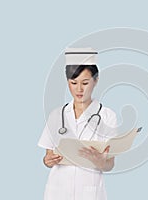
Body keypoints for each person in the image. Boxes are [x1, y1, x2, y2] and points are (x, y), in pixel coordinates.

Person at [38, 48, 118, 200]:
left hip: (90, 192)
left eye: (85, 83)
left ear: (96, 80)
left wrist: (101, 162)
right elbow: (47, 157)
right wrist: (47, 161)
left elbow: (110, 164)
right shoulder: (56, 115)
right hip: (58, 191)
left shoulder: (107, 116)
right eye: (73, 83)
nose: (79, 89)